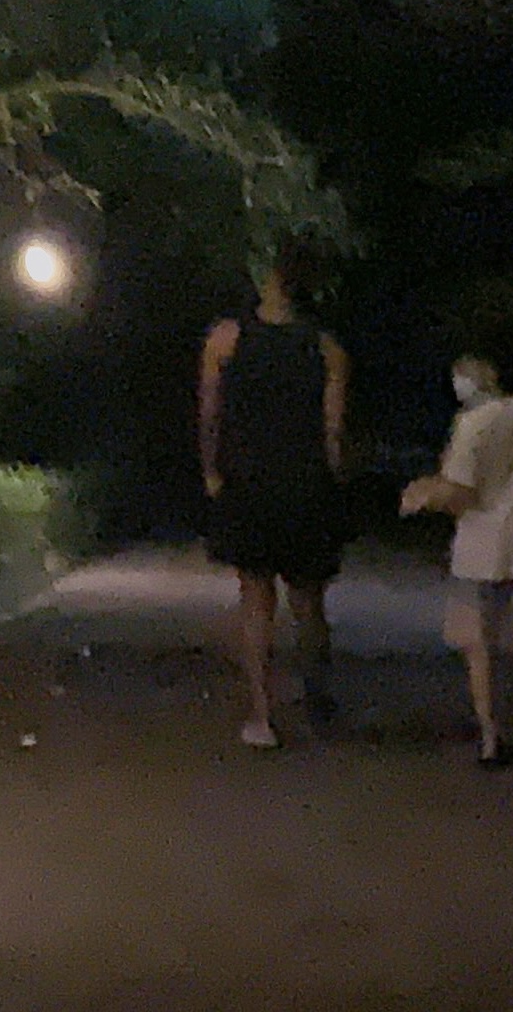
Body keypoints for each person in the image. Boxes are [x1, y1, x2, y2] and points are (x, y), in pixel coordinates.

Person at [200, 249, 351, 749]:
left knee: (255, 602)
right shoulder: (326, 348)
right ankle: (317, 698)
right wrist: (334, 481)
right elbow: (334, 431)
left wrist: (211, 470)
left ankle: (263, 715)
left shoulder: (226, 339)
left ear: (267, 283)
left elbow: (210, 415)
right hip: (305, 481)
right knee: (308, 602)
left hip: (248, 481)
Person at [401, 352, 513, 765]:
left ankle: (490, 733)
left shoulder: (471, 425)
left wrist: (424, 496)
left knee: (480, 646)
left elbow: (461, 492)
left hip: (479, 546)